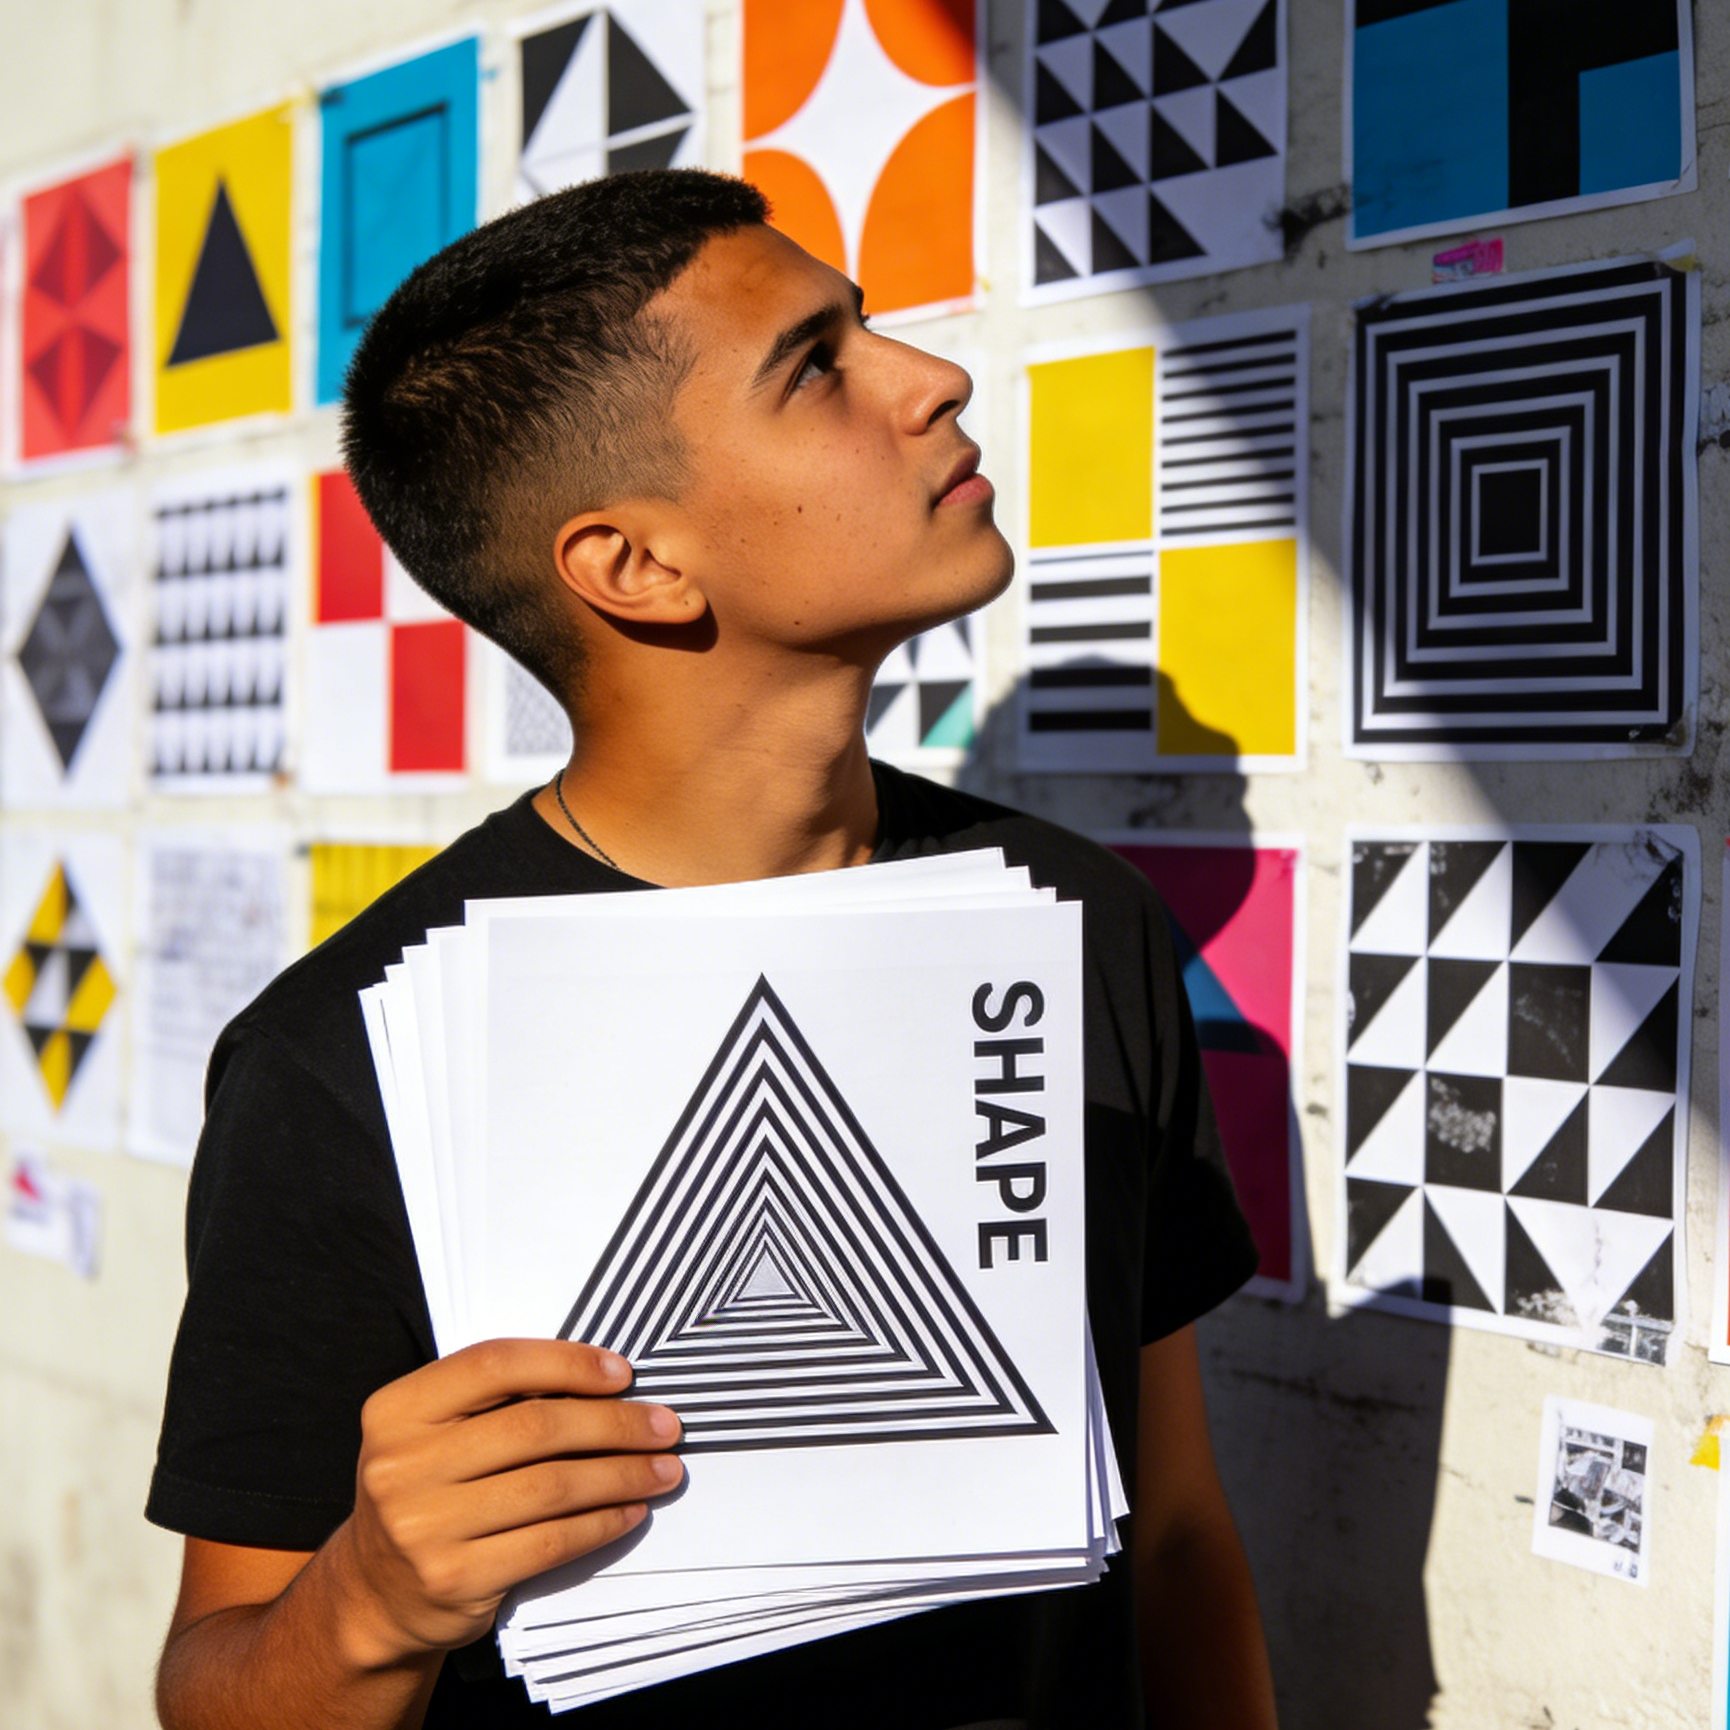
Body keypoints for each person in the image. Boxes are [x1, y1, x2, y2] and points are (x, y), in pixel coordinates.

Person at [148, 169, 1278, 1730]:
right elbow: (214, 1677)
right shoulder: (348, 1055)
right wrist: (370, 1599)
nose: (930, 378)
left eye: (863, 329)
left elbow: (1177, 1530)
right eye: (815, 364)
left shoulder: (1077, 920)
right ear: (635, 564)